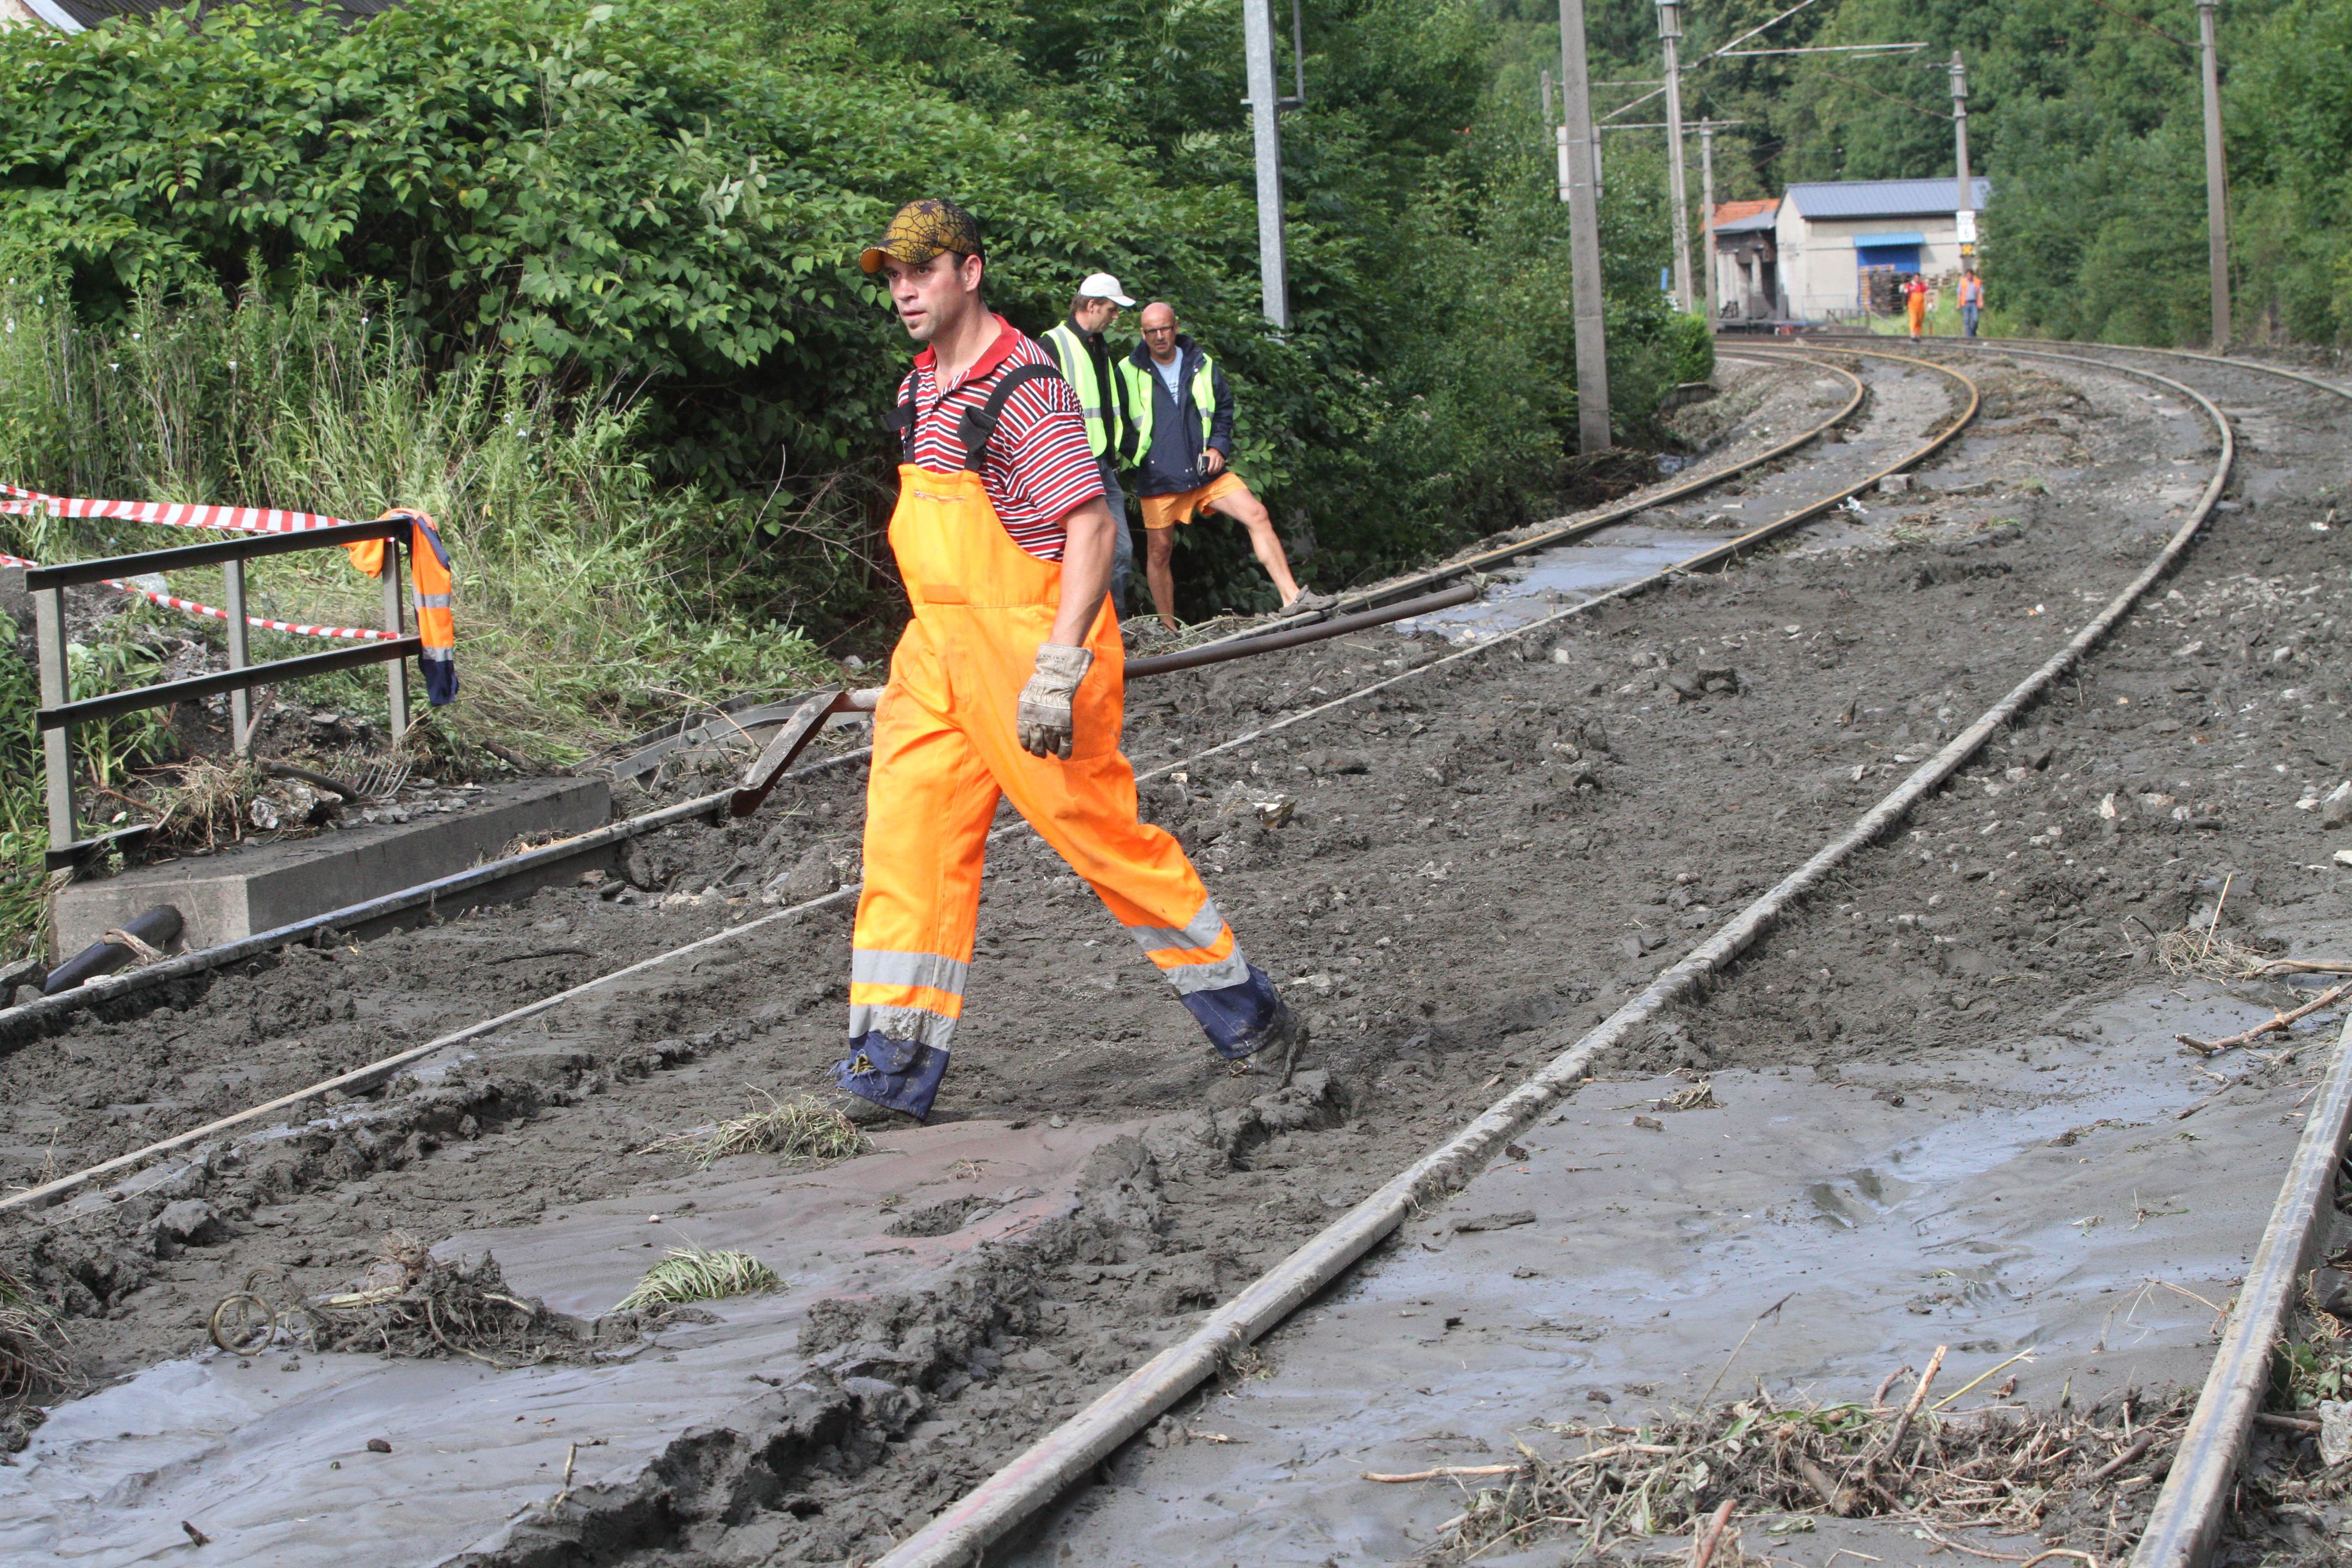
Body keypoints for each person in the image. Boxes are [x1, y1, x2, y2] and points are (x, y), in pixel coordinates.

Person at [839, 199, 1303, 1122]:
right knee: (910, 841)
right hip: (936, 649)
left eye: (921, 270)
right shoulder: (921, 386)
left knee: (1101, 839)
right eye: (893, 274)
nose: (903, 289)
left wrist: (1056, 668)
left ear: (970, 271)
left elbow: (1090, 529)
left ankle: (1252, 1017)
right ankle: (890, 1066)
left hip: (1031, 641)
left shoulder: (1024, 386)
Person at [1120, 301, 1331, 631]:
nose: (1159, 336)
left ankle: (1292, 598)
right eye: (1152, 331)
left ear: (1176, 327)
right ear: (1143, 334)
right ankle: (1169, 629)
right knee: (1159, 551)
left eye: (1164, 329)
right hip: (1159, 476)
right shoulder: (1126, 370)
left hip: (1206, 471)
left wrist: (1219, 445)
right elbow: (1119, 423)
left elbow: (1224, 408)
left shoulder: (1201, 362)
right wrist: (1142, 456)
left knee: (1257, 514)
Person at [1041, 274, 1141, 617]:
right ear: (1091, 304)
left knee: (1117, 551)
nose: (1116, 317)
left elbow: (1111, 407)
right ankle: (1099, 628)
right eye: (1112, 309)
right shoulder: (1052, 345)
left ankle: (1114, 627)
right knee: (1089, 552)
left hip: (1101, 466)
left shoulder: (1099, 345)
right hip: (1070, 469)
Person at [1957, 268, 1984, 339]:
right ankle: (1970, 337)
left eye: (1970, 275)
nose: (1969, 276)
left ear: (1973, 275)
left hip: (1974, 303)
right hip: (1965, 303)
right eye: (1968, 275)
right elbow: (1959, 293)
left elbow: (1980, 293)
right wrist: (1958, 304)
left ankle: (1973, 332)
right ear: (1966, 275)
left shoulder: (1977, 282)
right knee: (1967, 321)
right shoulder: (1962, 282)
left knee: (1976, 320)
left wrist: (1981, 302)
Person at [1905, 273, 1930, 340]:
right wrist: (1906, 291)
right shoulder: (1910, 285)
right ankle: (1913, 334)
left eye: (1918, 278)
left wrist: (1930, 303)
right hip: (1912, 305)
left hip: (1921, 305)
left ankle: (1918, 334)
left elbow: (1928, 293)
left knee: (1920, 319)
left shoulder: (1922, 285)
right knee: (1914, 319)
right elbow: (1906, 292)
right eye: (1916, 278)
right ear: (1913, 278)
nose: (1917, 279)